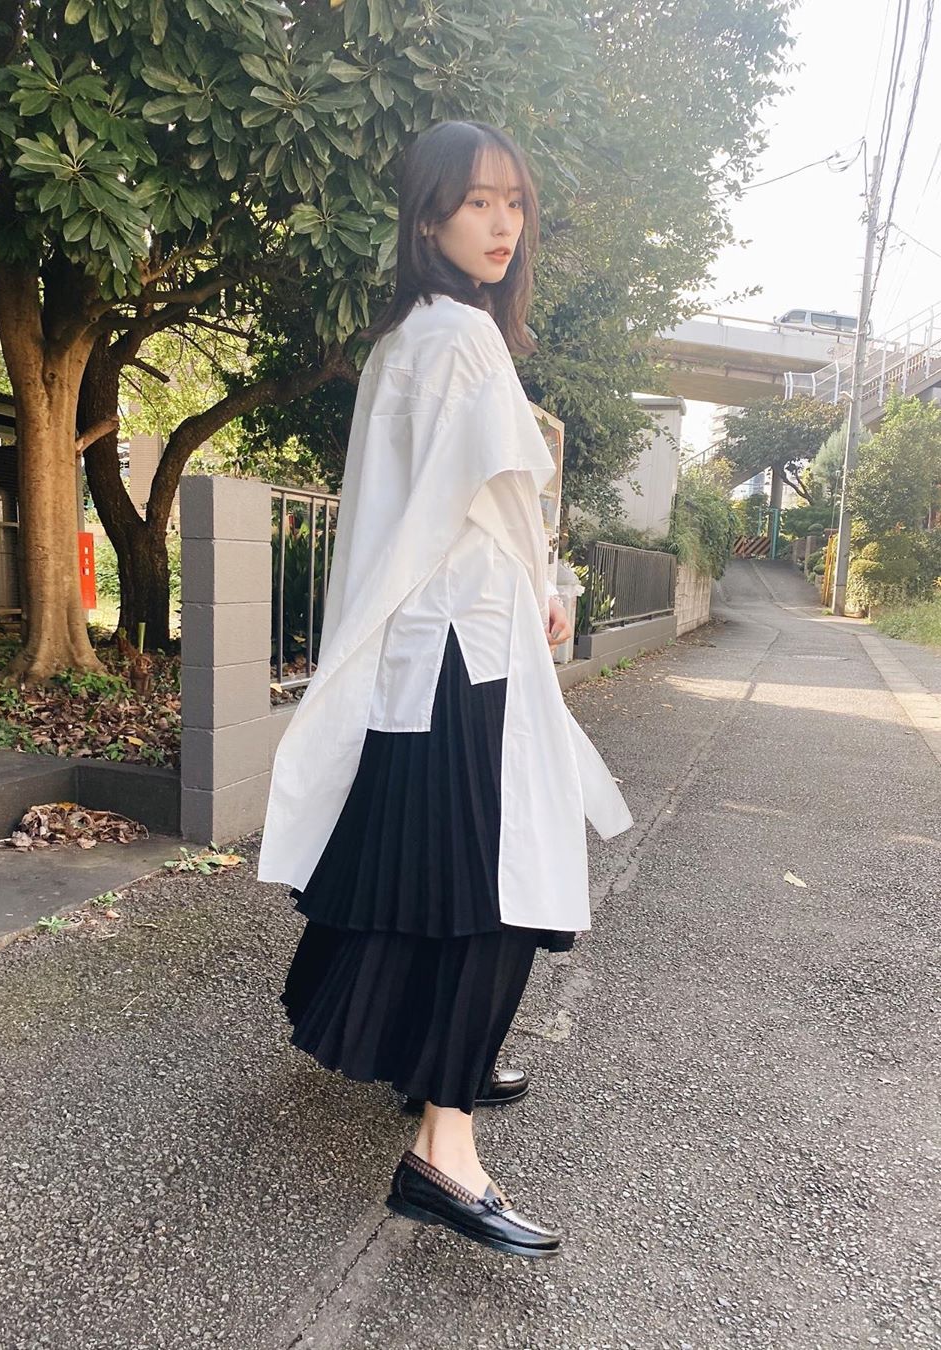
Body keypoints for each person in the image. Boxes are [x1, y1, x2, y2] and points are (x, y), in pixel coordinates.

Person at [257, 120, 634, 1259]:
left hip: (423, 650)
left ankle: (433, 1067)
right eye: (477, 203)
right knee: (502, 888)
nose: (502, 224)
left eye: (513, 202)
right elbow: (508, 500)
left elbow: (431, 503)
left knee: (425, 869)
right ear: (428, 219)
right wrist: (552, 583)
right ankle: (443, 1148)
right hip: (470, 646)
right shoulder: (465, 339)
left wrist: (537, 582)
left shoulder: (405, 340)